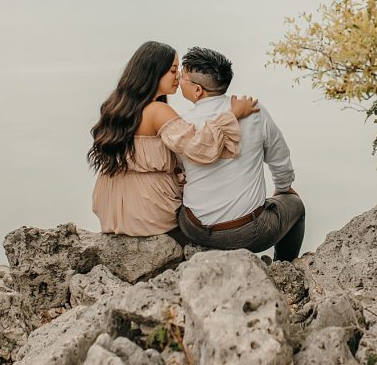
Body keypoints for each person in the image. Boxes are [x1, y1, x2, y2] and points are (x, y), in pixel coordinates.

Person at [89, 41, 259, 238]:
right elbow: (199, 148)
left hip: (112, 207)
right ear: (154, 72)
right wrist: (232, 114)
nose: (178, 76)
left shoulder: (117, 107)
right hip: (146, 208)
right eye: (172, 70)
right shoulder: (157, 111)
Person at [175, 46, 304, 261]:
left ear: (198, 90)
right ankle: (286, 267)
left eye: (182, 76)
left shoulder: (181, 124)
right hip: (248, 234)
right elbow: (280, 158)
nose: (179, 81)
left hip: (194, 228)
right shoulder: (254, 111)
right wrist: (284, 188)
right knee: (296, 205)